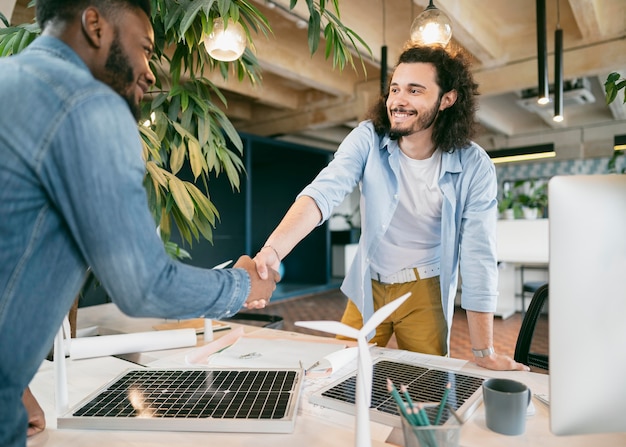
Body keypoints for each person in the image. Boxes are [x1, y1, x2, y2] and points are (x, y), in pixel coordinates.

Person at [0, 1, 279, 446]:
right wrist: (243, 286)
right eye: (145, 48)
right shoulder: (89, 105)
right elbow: (143, 285)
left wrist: (14, 387)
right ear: (95, 24)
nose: (150, 72)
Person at [255, 45, 529, 372]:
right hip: (368, 283)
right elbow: (324, 191)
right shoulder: (368, 139)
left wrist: (483, 351)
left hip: (425, 289)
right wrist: (274, 249)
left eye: (415, 90)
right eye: (395, 89)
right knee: (341, 374)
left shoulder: (474, 165)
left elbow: (478, 254)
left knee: (427, 383)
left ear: (447, 99)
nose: (398, 100)